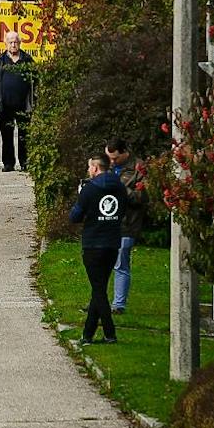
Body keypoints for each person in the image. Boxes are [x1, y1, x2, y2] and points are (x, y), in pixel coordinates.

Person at [70, 154, 128, 344]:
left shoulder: (89, 189)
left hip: (93, 243)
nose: (88, 171)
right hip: (112, 243)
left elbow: (75, 216)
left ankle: (110, 333)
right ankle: (87, 334)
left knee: (99, 290)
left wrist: (80, 196)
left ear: (95, 168)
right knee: (99, 288)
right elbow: (124, 209)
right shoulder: (119, 187)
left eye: (89, 167)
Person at [0, 31, 36, 172]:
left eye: (16, 42)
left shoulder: (27, 60)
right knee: (6, 135)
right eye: (10, 42)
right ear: (6, 44)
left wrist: (37, 102)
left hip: (24, 105)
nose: (13, 45)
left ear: (20, 43)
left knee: (24, 135)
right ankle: (8, 163)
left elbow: (36, 83)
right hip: (4, 104)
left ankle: (25, 162)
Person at [106, 139, 148, 314]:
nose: (112, 162)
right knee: (101, 264)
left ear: (125, 152)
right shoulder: (106, 166)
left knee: (121, 262)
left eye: (115, 158)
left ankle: (118, 304)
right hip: (106, 221)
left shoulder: (139, 168)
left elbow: (143, 197)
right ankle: (99, 302)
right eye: (109, 158)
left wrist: (121, 189)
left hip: (127, 222)